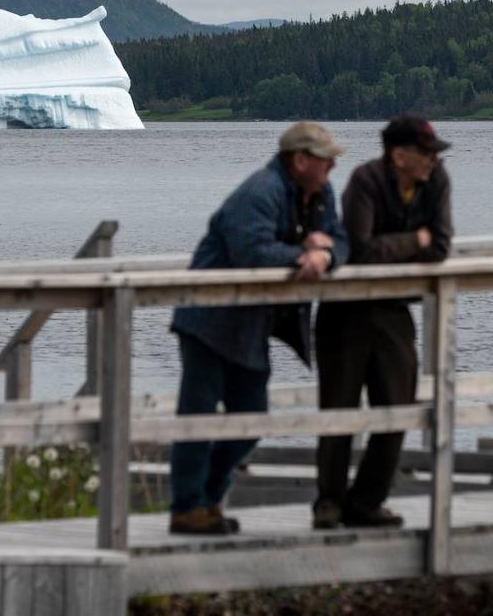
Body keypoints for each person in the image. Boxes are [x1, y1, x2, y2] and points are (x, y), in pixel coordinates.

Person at [168, 121, 350, 535]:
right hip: (208, 318)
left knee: (251, 420)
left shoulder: (320, 194)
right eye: (325, 158)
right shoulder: (260, 192)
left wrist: (324, 258)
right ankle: (186, 507)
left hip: (250, 323)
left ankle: (208, 500)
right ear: (300, 160)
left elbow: (340, 239)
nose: (333, 165)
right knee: (197, 418)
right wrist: (302, 253)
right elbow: (251, 252)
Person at [312, 114, 453, 529]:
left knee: (398, 406)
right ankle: (329, 502)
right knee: (338, 408)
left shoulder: (437, 180)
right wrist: (416, 240)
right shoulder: (365, 180)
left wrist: (411, 244)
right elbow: (361, 250)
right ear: (399, 154)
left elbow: (441, 244)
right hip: (345, 309)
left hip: (394, 309)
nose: (433, 160)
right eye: (426, 153)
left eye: (433, 153)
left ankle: (368, 501)